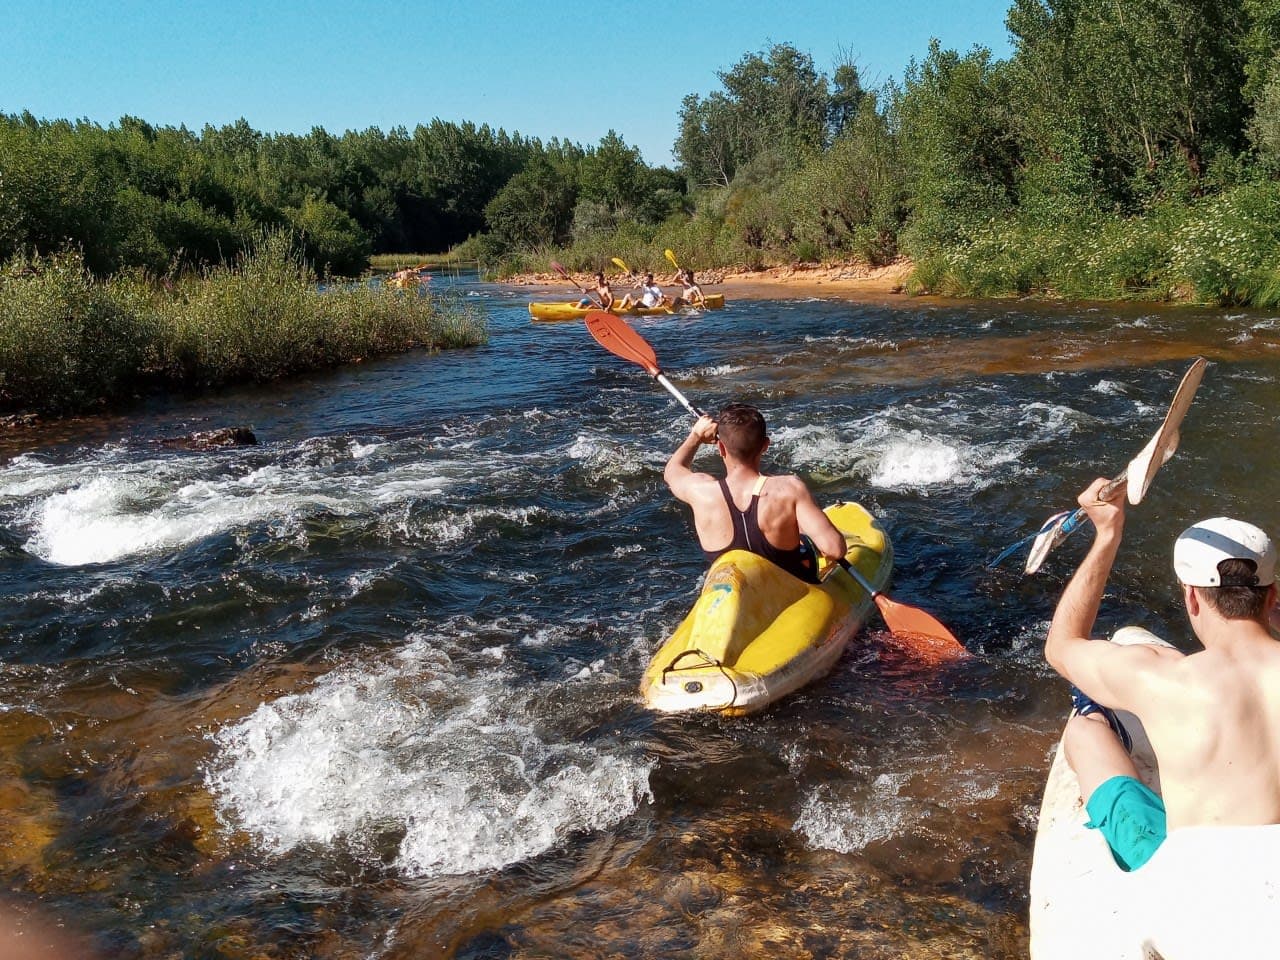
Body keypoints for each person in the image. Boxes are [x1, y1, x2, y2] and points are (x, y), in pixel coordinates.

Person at [1044, 478, 1280, 874]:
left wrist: (1107, 534)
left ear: (1190, 596)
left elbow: (1061, 646)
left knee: (1086, 733)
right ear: (1272, 597)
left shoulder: (1159, 676)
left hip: (1197, 886)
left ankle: (1107, 719)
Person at [663, 402, 847, 583]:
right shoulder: (789, 489)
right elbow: (834, 550)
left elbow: (672, 472)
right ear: (765, 445)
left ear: (720, 448)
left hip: (741, 596)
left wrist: (695, 437)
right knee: (805, 547)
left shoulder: (701, 491)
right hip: (788, 592)